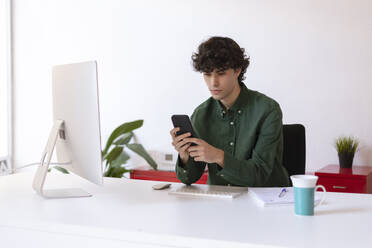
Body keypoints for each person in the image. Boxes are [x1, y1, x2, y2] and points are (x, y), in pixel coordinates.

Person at [170, 37, 290, 187]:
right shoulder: (201, 114)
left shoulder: (268, 110)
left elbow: (259, 175)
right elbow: (189, 179)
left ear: (237, 70)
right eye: (207, 74)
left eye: (220, 73)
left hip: (266, 201)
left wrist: (219, 157)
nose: (213, 82)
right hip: (221, 202)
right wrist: (184, 156)